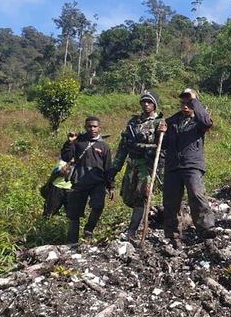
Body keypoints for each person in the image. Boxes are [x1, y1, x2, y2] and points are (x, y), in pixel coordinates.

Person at [160, 88, 216, 244]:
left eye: (188, 103)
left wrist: (194, 100)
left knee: (196, 193)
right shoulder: (171, 122)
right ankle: (172, 234)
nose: (185, 106)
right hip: (173, 165)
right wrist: (161, 133)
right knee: (170, 201)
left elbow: (206, 122)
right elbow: (164, 145)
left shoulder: (199, 121)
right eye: (183, 103)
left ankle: (206, 228)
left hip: (191, 164)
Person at [110, 91, 164, 241]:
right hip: (132, 165)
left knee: (141, 197)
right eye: (144, 102)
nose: (146, 104)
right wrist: (115, 167)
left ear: (154, 104)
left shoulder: (159, 123)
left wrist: (147, 148)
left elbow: (163, 147)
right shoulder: (133, 123)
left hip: (146, 166)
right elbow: (123, 147)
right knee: (129, 197)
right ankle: (140, 219)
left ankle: (132, 230)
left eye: (149, 102)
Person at [61, 116, 114, 245]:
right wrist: (69, 143)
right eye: (89, 126)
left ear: (99, 128)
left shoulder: (104, 146)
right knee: (74, 215)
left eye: (94, 126)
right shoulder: (78, 142)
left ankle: (89, 230)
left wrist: (111, 186)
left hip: (98, 183)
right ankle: (71, 243)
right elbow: (66, 156)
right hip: (79, 182)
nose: (92, 129)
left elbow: (108, 168)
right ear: (85, 127)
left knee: (98, 206)